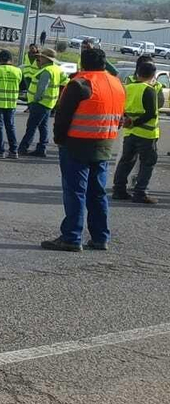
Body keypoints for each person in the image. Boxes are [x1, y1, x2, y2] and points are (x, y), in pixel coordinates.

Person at [41, 46, 125, 252]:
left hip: (77, 144)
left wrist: (59, 139)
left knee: (75, 191)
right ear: (104, 63)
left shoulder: (79, 83)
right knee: (97, 193)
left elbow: (62, 116)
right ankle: (100, 237)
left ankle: (71, 236)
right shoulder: (117, 84)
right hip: (104, 144)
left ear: (83, 62)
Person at [114, 57, 160, 204]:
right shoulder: (149, 90)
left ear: (138, 72)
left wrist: (128, 120)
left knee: (126, 161)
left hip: (130, 133)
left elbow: (121, 107)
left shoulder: (128, 87)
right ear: (153, 75)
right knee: (147, 163)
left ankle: (119, 190)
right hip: (146, 134)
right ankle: (140, 192)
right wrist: (135, 122)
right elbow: (151, 113)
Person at [18, 48, 62, 157]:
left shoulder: (47, 71)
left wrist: (35, 99)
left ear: (46, 59)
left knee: (32, 126)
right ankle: (41, 148)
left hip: (40, 103)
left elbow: (42, 87)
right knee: (43, 126)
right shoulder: (55, 69)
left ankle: (23, 147)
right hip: (49, 102)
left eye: (41, 57)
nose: (39, 59)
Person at [0, 49, 22, 157]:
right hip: (11, 103)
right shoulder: (18, 71)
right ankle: (14, 150)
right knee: (10, 126)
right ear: (11, 59)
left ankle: (0, 150)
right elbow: (23, 86)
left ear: (0, 59)